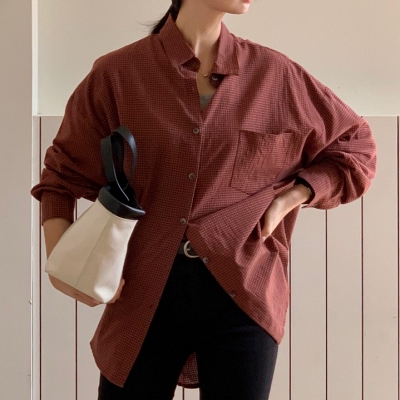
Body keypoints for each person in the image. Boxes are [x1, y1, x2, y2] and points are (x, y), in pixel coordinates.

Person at [31, 0, 377, 399]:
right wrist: (62, 264)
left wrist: (293, 197)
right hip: (142, 286)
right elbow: (61, 177)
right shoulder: (119, 74)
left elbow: (357, 147)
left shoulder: (275, 75)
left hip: (244, 289)